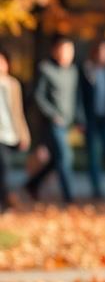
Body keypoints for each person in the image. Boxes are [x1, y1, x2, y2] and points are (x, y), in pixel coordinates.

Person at [25, 36, 78, 203]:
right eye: (64, 50)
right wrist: (52, 115)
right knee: (66, 156)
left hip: (67, 121)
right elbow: (38, 96)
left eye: (70, 51)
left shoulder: (73, 71)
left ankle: (32, 184)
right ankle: (68, 197)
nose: (67, 54)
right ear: (55, 51)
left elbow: (76, 97)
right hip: (52, 123)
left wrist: (78, 118)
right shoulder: (45, 69)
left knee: (56, 159)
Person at [80, 39, 105, 200]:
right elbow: (80, 97)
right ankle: (96, 189)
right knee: (94, 155)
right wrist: (80, 119)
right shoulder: (87, 71)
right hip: (91, 119)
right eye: (103, 52)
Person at [0, 47, 31, 211]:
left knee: (4, 167)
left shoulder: (13, 84)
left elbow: (18, 111)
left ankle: (5, 200)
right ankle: (6, 200)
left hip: (8, 132)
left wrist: (24, 134)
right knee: (3, 166)